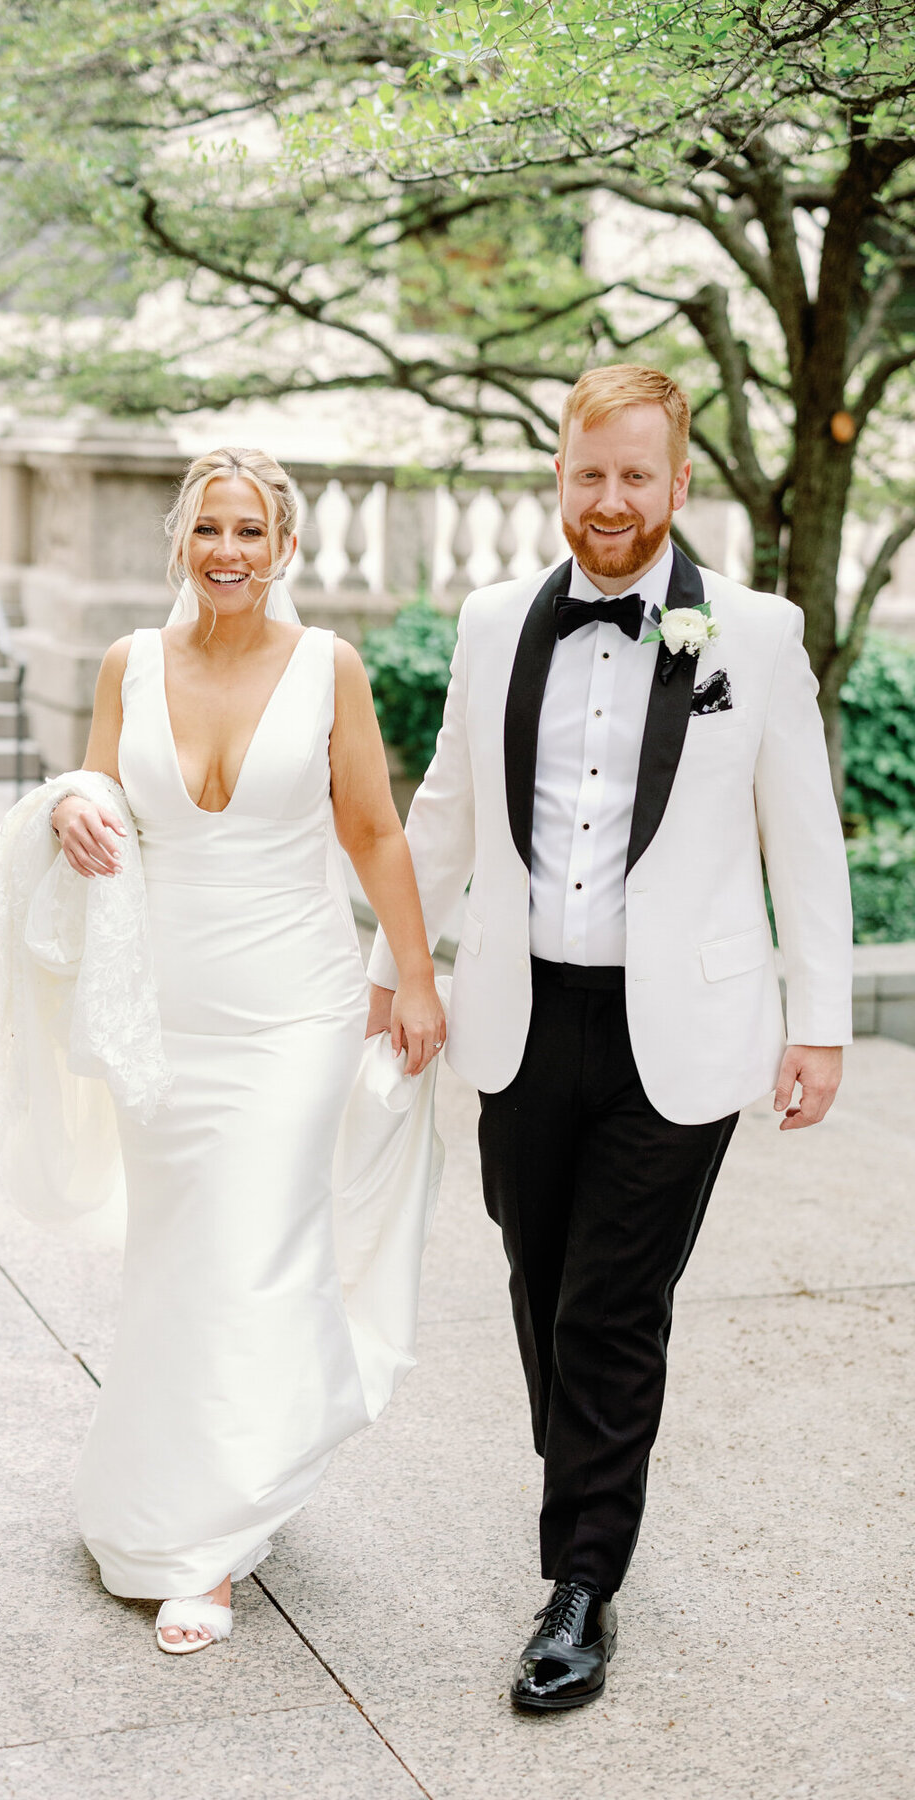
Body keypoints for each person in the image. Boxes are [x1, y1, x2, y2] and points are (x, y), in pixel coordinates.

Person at [366, 364, 853, 1711]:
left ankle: (582, 1582)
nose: (612, 500)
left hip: (682, 1032)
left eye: (638, 476)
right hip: (522, 1017)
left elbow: (803, 837)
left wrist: (819, 1023)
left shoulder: (751, 634)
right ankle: (588, 1477)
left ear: (679, 484)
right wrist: (396, 968)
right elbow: (447, 811)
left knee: (611, 1305)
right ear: (560, 476)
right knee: (538, 1277)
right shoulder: (487, 623)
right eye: (591, 473)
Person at [47, 447, 446, 1653]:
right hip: (169, 1014)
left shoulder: (330, 670)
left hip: (294, 1013)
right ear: (184, 540)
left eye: (252, 533)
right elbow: (96, 792)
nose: (229, 552)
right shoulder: (129, 665)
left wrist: (415, 974)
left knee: (255, 1247)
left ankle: (210, 1547)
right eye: (210, 529)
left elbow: (372, 828)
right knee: (182, 1258)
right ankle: (164, 1485)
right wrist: (69, 800)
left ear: (284, 549)